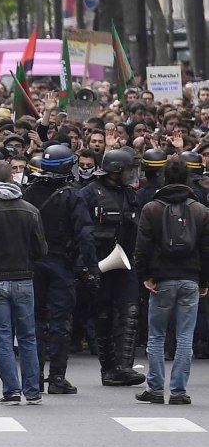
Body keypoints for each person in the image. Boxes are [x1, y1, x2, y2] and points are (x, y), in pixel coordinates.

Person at [0, 161, 48, 406]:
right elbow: (41, 249)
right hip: (24, 278)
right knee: (27, 337)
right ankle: (33, 391)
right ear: (13, 179)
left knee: (2, 337)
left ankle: (11, 390)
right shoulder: (31, 210)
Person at [134, 157, 209, 405]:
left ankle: (155, 388)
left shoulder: (152, 208)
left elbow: (142, 246)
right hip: (190, 277)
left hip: (161, 278)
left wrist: (144, 275)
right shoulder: (200, 210)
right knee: (185, 335)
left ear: (164, 178)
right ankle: (178, 391)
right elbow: (206, 249)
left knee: (156, 334)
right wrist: (204, 280)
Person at [23, 144, 96, 395]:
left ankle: (33, 377)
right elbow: (85, 235)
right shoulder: (73, 195)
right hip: (60, 263)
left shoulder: (29, 191)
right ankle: (56, 377)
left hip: (33, 263)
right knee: (60, 321)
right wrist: (92, 267)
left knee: (35, 320)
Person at [79, 149, 146, 387]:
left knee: (130, 311)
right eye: (128, 170)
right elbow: (81, 231)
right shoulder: (88, 194)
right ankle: (108, 369)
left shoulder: (130, 194)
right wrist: (86, 267)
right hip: (100, 261)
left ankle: (124, 367)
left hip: (125, 260)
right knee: (104, 314)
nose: (131, 175)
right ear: (116, 171)